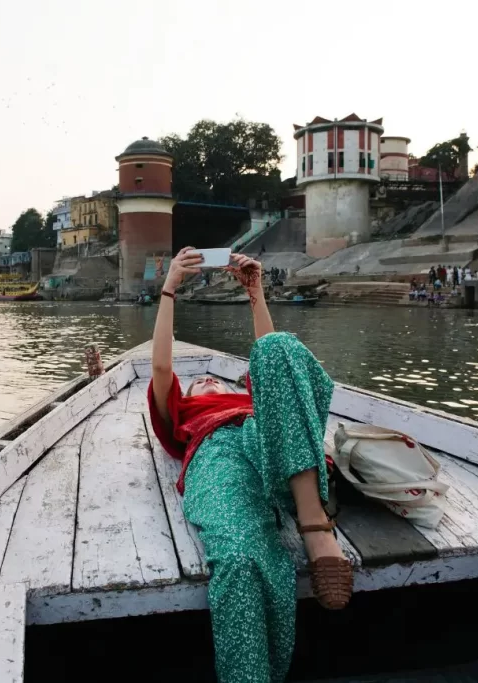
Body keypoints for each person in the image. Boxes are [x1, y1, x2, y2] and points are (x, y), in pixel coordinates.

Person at [149, 247, 351, 683]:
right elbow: (163, 366)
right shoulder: (186, 415)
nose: (206, 379)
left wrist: (256, 292)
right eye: (199, 382)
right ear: (186, 397)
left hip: (274, 443)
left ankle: (313, 523)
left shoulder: (248, 397)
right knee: (239, 559)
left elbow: (269, 360)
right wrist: (169, 289)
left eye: (213, 379)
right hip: (218, 454)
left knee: (276, 348)